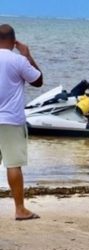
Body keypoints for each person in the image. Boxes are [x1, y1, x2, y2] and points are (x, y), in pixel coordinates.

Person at [0, 24, 43, 220]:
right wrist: (27, 55)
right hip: (11, 120)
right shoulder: (18, 60)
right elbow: (38, 81)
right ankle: (19, 209)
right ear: (14, 40)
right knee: (13, 164)